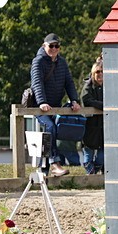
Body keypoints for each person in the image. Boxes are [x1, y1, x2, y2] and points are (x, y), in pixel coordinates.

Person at [30, 33, 81, 177]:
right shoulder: (38, 61)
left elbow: (69, 82)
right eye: (51, 46)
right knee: (50, 128)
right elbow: (37, 83)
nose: (54, 48)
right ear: (44, 46)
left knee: (54, 131)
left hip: (55, 105)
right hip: (40, 106)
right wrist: (42, 102)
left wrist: (74, 100)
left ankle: (43, 168)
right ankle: (54, 163)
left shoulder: (62, 62)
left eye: (56, 46)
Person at [80, 58, 105, 175]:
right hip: (89, 126)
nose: (100, 74)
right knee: (88, 154)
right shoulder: (88, 86)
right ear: (93, 73)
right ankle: (90, 177)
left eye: (102, 71)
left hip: (103, 126)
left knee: (102, 155)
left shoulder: (109, 86)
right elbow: (86, 100)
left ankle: (96, 173)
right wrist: (103, 105)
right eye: (97, 72)